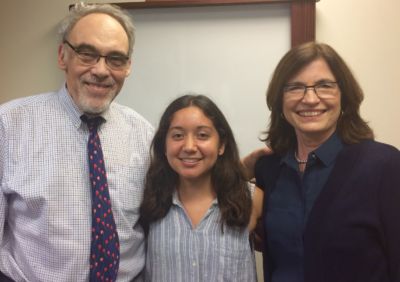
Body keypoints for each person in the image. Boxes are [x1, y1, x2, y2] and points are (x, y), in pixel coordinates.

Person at [0, 3, 154, 281]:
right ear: (63, 56)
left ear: (128, 66)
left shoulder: (144, 135)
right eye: (87, 54)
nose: (101, 70)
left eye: (116, 59)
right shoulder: (8, 126)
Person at [254, 41, 400, 282]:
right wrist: (241, 168)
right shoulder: (269, 171)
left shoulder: (385, 166)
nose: (310, 99)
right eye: (295, 87)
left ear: (344, 95)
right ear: (279, 100)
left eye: (324, 86)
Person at [139, 94, 263, 282]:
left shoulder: (252, 199)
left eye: (202, 135)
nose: (189, 147)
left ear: (221, 144)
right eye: (178, 135)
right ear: (164, 145)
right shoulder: (148, 202)